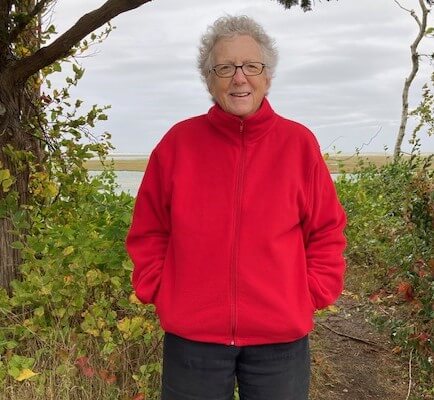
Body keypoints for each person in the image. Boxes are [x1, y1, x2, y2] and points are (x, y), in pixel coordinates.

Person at [126, 15, 347, 400]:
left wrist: (309, 293)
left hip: (280, 343)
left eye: (250, 66)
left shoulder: (299, 145)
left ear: (267, 76)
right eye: (225, 67)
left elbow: (326, 231)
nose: (239, 78)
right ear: (209, 79)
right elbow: (148, 230)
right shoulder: (178, 145)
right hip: (193, 340)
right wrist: (162, 290)